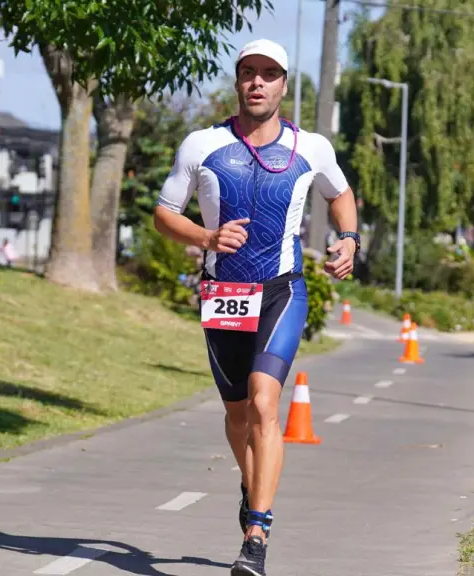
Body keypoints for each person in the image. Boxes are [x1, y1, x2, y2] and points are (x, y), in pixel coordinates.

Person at [152, 38, 359, 576]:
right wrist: (206, 235)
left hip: (282, 290)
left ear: (285, 84)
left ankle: (257, 534)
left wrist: (350, 239)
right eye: (249, 72)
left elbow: (339, 193)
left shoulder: (311, 148)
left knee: (267, 403)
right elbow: (163, 212)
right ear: (238, 80)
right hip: (224, 295)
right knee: (237, 414)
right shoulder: (201, 145)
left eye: (269, 73)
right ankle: (251, 486)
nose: (258, 82)